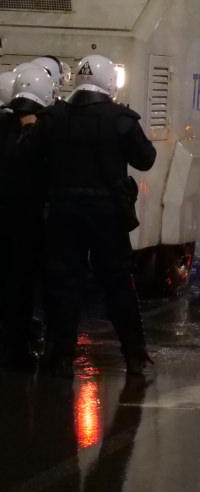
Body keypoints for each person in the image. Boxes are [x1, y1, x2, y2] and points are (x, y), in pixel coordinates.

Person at [40, 55, 157, 377]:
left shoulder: (53, 118)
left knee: (64, 284)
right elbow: (146, 159)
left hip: (63, 212)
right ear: (109, 83)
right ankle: (134, 355)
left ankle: (59, 357)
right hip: (108, 216)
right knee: (117, 284)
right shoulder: (121, 119)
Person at [0, 65, 54, 370]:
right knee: (23, 285)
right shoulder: (39, 132)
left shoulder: (6, 125)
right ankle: (19, 349)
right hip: (27, 220)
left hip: (9, 217)